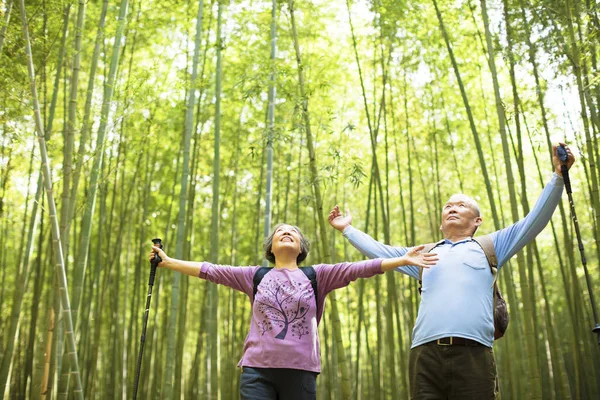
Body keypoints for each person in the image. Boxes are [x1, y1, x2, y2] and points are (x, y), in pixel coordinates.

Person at [328, 144, 575, 399]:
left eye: (461, 205)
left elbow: (535, 220)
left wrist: (558, 177)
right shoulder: (423, 254)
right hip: (425, 355)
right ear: (440, 221)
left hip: (474, 353)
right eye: (448, 206)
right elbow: (381, 252)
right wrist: (348, 230)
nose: (453, 208)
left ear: (477, 220)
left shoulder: (491, 246)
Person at [150, 222, 438, 400]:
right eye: (280, 231)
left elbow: (359, 268)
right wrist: (168, 262)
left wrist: (402, 260)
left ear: (301, 247)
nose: (286, 232)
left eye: (292, 232)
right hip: (257, 371)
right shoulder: (255, 275)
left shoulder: (318, 275)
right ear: (271, 247)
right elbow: (210, 270)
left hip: (300, 371)